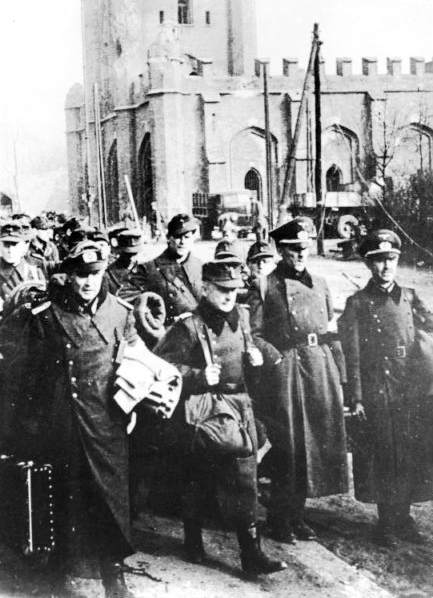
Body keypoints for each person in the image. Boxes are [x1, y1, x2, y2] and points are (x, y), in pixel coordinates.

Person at [0, 240, 138, 597]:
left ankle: (114, 573)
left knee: (111, 501)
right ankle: (59, 572)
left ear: (104, 271)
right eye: (80, 274)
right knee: (64, 497)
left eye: (94, 273)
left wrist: (133, 404)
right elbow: (24, 375)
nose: (88, 282)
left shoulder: (120, 312)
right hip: (64, 420)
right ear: (69, 275)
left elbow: (136, 363)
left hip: (108, 420)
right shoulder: (46, 315)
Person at [154, 260, 287, 575]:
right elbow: (162, 368)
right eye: (222, 290)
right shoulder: (188, 326)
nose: (229, 295)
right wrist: (198, 376)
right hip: (203, 411)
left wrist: (254, 359)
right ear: (206, 288)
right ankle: (193, 540)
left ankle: (250, 552)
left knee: (244, 476)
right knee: (197, 476)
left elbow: (246, 346)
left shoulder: (241, 316)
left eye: (233, 290)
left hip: (238, 405)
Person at [248, 216, 348, 544]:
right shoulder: (265, 285)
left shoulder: (320, 283)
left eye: (305, 248)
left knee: (314, 444)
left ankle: (298, 515)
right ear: (281, 250)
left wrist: (340, 375)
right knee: (288, 447)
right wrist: (274, 358)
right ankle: (279, 519)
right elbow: (253, 333)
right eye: (293, 249)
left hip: (318, 369)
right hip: (285, 371)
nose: (300, 254)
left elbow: (330, 331)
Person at [338, 229, 433, 547]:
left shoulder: (409, 296)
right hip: (379, 390)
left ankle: (404, 519)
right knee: (384, 456)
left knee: (408, 454)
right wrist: (357, 396)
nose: (386, 267)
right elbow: (351, 354)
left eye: (391, 259)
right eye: (379, 261)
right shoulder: (358, 303)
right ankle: (387, 524)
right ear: (369, 265)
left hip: (410, 388)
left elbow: (429, 327)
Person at [128, 213, 202, 339]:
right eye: (178, 237)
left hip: (198, 333)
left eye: (187, 237)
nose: (182, 242)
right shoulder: (148, 269)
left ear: (193, 239)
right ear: (169, 238)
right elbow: (134, 305)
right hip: (169, 335)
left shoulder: (199, 266)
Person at [0, 221, 45, 314]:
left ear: (23, 246)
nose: (10, 250)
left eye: (14, 244)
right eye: (6, 245)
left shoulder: (35, 273)